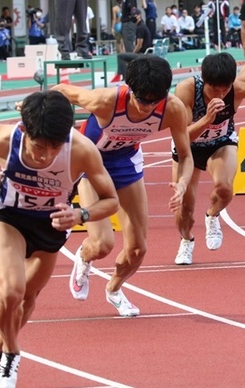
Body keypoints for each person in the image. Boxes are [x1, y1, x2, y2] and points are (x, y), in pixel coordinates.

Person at [0, 91, 119, 388]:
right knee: (12, 291)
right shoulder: (4, 138)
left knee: (28, 298)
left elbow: (111, 201)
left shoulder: (82, 150)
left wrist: (81, 215)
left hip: (51, 224)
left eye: (55, 147)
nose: (46, 155)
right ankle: (12, 355)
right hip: (7, 215)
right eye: (39, 147)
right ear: (25, 130)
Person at [51, 56, 194, 317]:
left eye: (155, 101)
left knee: (138, 249)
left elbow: (184, 155)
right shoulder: (105, 101)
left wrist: (183, 183)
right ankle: (84, 255)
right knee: (103, 244)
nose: (148, 108)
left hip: (126, 163)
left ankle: (114, 289)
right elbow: (60, 91)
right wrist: (34, 109)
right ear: (130, 89)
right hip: (90, 163)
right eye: (142, 100)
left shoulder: (172, 108)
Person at [172, 49, 245, 265]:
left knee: (225, 188)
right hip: (189, 147)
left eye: (226, 89)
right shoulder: (186, 90)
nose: (220, 95)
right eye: (214, 89)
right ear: (203, 80)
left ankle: (212, 215)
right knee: (184, 207)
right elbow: (182, 137)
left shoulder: (241, 87)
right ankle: (186, 240)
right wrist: (207, 118)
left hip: (221, 142)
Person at [113, 9, 152, 82]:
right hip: (146, 53)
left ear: (139, 15)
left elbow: (139, 45)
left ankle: (124, 77)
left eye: (135, 15)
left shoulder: (140, 27)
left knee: (121, 56)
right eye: (132, 15)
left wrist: (133, 53)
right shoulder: (142, 26)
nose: (133, 17)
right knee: (125, 55)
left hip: (143, 54)